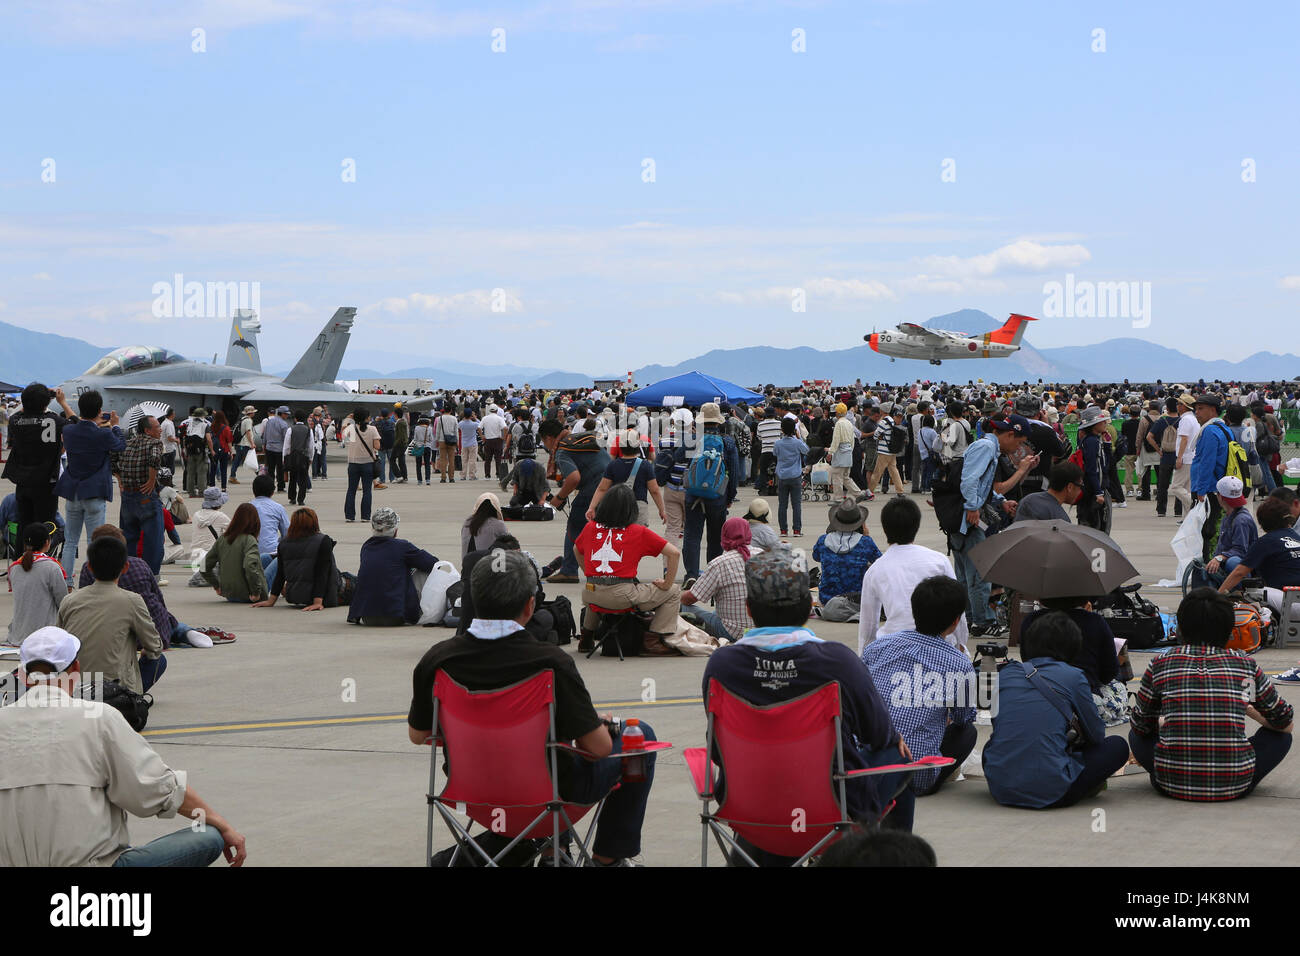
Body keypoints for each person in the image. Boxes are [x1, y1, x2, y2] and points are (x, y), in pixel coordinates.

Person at [408, 551, 658, 867]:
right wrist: (599, 724)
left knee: (551, 741)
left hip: (470, 791)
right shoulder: (550, 663)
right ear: (529, 606)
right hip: (544, 797)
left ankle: (553, 851)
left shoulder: (437, 660)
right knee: (638, 737)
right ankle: (607, 859)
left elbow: (419, 734)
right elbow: (598, 748)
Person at [702, 549, 916, 864]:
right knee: (895, 753)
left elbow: (718, 752)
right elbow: (878, 734)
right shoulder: (837, 661)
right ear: (808, 607)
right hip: (829, 810)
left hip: (748, 807)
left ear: (749, 609)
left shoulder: (722, 666)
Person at [0, 627, 246, 867]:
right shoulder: (99, 718)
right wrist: (220, 823)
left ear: (22, 675)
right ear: (76, 669)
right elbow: (158, 789)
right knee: (208, 837)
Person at [1130, 588, 1293, 800]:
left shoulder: (1161, 663)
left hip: (1170, 782)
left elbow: (1140, 725)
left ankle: (1172, 771)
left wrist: (1166, 721)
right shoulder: (1245, 665)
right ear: (1228, 631)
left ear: (1179, 628)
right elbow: (1284, 721)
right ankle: (1235, 773)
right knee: (1281, 738)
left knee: (1135, 734)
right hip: (1235, 784)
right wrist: (1248, 708)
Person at [982, 612, 1131, 809]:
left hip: (1000, 788)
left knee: (991, 746)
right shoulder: (1074, 676)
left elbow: (1000, 727)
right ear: (1073, 649)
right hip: (1053, 791)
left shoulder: (1007, 673)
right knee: (1118, 746)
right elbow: (1096, 735)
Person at [862, 575, 977, 797]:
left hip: (866, 765)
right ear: (955, 622)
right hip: (917, 777)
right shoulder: (960, 664)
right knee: (967, 733)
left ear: (914, 611)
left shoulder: (878, 647)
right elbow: (963, 718)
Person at [574, 484, 681, 656]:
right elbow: (674, 553)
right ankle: (652, 640)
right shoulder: (638, 531)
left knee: (597, 592)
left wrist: (590, 572)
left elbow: (576, 550)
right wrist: (667, 584)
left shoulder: (590, 527)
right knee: (674, 591)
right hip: (621, 596)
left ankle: (586, 638)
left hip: (590, 593)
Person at [949, 414, 1028, 637]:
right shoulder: (985, 446)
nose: (1017, 448)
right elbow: (970, 479)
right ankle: (983, 620)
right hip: (969, 519)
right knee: (979, 573)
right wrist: (973, 507)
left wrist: (1000, 502)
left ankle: (970, 618)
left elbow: (982, 485)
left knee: (965, 574)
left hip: (963, 518)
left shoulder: (989, 448)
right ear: (1010, 434)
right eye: (1018, 442)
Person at [858, 496, 968, 654]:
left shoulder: (875, 570)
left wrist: (865, 659)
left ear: (884, 528)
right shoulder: (938, 560)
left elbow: (868, 627)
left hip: (893, 647)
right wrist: (961, 647)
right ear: (916, 525)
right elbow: (957, 609)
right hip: (939, 645)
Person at [58, 535, 164, 694]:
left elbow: (58, 643)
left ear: (90, 568)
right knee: (159, 659)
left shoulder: (69, 600)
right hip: (113, 689)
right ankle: (132, 697)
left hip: (75, 685)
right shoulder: (132, 601)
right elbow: (154, 646)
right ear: (125, 567)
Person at [55, 389, 125, 578]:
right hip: (94, 492)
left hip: (73, 492)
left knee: (70, 542)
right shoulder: (103, 434)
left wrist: (63, 403)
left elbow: (77, 423)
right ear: (100, 411)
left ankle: (67, 580)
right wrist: (115, 426)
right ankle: (89, 581)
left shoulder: (68, 431)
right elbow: (120, 445)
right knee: (94, 543)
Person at [541, 417, 611, 584]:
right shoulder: (579, 440)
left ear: (549, 438)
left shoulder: (563, 450)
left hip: (594, 488)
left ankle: (569, 570)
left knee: (575, 526)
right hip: (611, 484)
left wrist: (560, 497)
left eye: (544, 441)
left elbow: (573, 478)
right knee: (605, 530)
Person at [682, 403, 741, 586]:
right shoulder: (727, 441)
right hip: (717, 495)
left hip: (692, 495)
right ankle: (712, 576)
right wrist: (730, 496)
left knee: (692, 535)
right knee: (715, 537)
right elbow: (733, 472)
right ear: (718, 421)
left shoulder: (692, 438)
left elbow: (680, 461)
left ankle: (691, 574)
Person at [347, 507, 436, 626]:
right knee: (421, 571)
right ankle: (424, 611)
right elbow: (433, 564)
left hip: (367, 616)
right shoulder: (402, 546)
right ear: (395, 530)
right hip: (394, 616)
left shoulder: (366, 547)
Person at [2, 382, 71, 532]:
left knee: (24, 525)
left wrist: (36, 397)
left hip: (23, 482)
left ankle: (22, 555)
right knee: (45, 526)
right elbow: (77, 425)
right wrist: (62, 402)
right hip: (46, 483)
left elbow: (23, 411)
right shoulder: (54, 421)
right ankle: (41, 555)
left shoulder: (15, 421)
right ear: (46, 403)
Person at [1217, 496, 1300, 614]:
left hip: (1291, 602)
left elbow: (1239, 572)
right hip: (1294, 597)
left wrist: (1217, 597)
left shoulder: (1266, 541)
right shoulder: (1297, 537)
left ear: (1262, 523)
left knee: (1251, 592)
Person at [681, 516, 752, 641]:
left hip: (732, 632)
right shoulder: (764, 555)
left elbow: (690, 598)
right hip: (761, 630)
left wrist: (673, 597)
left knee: (680, 606)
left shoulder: (720, 563)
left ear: (724, 535)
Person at [254, 508, 339, 611]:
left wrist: (271, 601)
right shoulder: (323, 540)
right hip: (324, 596)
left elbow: (280, 574)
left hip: (294, 596)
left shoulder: (283, 543)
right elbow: (322, 573)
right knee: (353, 583)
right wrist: (317, 602)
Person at [114, 414, 166, 576]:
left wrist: (120, 479)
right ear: (148, 430)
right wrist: (151, 480)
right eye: (157, 426)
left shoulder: (127, 443)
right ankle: (151, 575)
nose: (160, 429)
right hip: (146, 495)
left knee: (129, 537)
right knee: (154, 539)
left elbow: (112, 457)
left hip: (128, 496)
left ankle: (129, 572)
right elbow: (155, 459)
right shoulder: (155, 443)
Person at [587, 430, 666, 529]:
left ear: (620, 446)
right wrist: (661, 510)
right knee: (637, 538)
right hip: (638, 507)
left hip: (617, 507)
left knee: (619, 537)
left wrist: (592, 507)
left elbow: (602, 488)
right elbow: (654, 491)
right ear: (637, 446)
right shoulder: (645, 465)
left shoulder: (613, 465)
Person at [812, 499, 882, 607]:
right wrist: (867, 535)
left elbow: (816, 556)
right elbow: (880, 562)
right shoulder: (865, 542)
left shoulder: (823, 540)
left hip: (827, 600)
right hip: (856, 600)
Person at [7, 523, 67, 646]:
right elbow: (63, 603)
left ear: (24, 544)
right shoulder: (52, 567)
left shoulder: (14, 568)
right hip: (45, 638)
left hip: (17, 636)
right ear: (47, 543)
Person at [1189, 394, 1232, 562]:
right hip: (1219, 486)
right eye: (1195, 409)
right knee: (1214, 526)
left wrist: (1201, 490)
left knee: (1207, 530)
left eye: (1201, 409)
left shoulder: (1209, 431)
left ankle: (1208, 564)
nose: (1196, 413)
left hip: (1209, 488)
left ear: (1213, 410)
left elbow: (1207, 462)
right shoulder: (1224, 428)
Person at [202, 503, 269, 605]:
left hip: (230, 594)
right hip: (249, 595)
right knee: (276, 561)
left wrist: (216, 585)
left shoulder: (223, 539)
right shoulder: (249, 539)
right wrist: (256, 593)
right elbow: (249, 565)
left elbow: (204, 566)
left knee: (266, 558)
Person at [1199, 476, 1258, 587]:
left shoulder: (1241, 520)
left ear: (1221, 497)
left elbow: (1241, 550)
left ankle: (1240, 591)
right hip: (1231, 562)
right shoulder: (1230, 516)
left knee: (1233, 562)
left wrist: (1219, 558)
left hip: (1242, 568)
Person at [1074, 405, 1113, 531]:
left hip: (1092, 489)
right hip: (1093, 491)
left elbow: (1104, 465)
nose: (1104, 423)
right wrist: (1098, 492)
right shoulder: (1092, 442)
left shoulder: (1092, 440)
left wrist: (1107, 445)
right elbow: (1093, 469)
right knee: (1098, 527)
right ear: (1093, 425)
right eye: (1101, 421)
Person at [250, 473, 290, 586]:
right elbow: (287, 534)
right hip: (271, 552)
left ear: (254, 491)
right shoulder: (278, 508)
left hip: (250, 554)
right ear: (273, 491)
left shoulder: (247, 507)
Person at [344, 408, 383, 521]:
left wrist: (348, 418)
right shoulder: (372, 429)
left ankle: (349, 516)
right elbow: (377, 446)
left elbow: (343, 434)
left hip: (353, 463)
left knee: (351, 490)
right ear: (366, 418)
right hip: (367, 463)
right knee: (367, 491)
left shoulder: (351, 428)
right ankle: (365, 516)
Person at [773, 417, 809, 536]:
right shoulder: (797, 442)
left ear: (782, 429)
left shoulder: (778, 443)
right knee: (796, 504)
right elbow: (806, 451)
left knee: (782, 504)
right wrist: (799, 437)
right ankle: (797, 530)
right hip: (795, 475)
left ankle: (783, 530)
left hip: (782, 476)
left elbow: (775, 454)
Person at [1013, 461, 1083, 523]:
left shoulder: (1027, 500)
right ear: (1070, 487)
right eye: (1080, 486)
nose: (1080, 491)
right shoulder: (1061, 520)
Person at [1170, 392, 1200, 519]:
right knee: (1187, 489)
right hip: (1192, 457)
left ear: (1184, 406)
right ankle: (1188, 518)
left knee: (1176, 487)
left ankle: (1194, 506)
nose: (1177, 406)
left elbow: (1184, 440)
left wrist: (1179, 457)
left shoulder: (1185, 420)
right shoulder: (1193, 419)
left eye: (1179, 404)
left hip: (1186, 457)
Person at [827, 403, 860, 500]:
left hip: (840, 452)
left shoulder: (839, 423)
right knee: (846, 477)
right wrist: (850, 450)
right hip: (848, 451)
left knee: (837, 476)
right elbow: (853, 440)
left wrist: (830, 452)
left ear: (837, 413)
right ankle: (858, 493)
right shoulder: (849, 423)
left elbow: (836, 440)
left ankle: (838, 498)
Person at [462, 492, 509, 559]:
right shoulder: (498, 524)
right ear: (496, 508)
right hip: (486, 566)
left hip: (467, 566)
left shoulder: (467, 521)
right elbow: (509, 543)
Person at [190, 485, 231, 557]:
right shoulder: (220, 516)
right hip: (211, 556)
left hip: (195, 556)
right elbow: (235, 530)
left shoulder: (196, 515)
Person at [285, 408, 314, 506]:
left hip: (293, 456)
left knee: (292, 478)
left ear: (295, 419)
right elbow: (311, 446)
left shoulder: (290, 429)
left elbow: (287, 446)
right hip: (304, 456)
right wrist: (311, 458)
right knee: (303, 478)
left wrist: (284, 457)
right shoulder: (309, 430)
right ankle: (301, 499)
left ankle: (292, 498)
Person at [181, 406, 211, 499]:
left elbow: (184, 438)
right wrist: (212, 450)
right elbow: (209, 439)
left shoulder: (188, 424)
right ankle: (202, 492)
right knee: (202, 472)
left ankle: (191, 492)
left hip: (190, 451)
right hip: (201, 451)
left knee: (190, 472)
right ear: (202, 415)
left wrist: (185, 450)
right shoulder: (205, 424)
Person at [262, 406, 290, 492]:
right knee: (280, 469)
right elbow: (286, 438)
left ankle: (270, 487)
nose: (287, 416)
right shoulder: (284, 424)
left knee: (270, 469)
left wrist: (264, 444)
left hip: (269, 448)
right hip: (279, 449)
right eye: (286, 414)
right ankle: (280, 487)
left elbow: (265, 434)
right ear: (282, 414)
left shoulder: (269, 421)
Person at [206, 410, 233, 491]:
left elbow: (209, 438)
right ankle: (223, 487)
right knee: (223, 469)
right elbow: (229, 441)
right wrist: (231, 452)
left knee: (213, 469)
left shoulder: (211, 427)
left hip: (213, 449)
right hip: (224, 450)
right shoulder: (226, 428)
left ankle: (212, 486)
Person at [230, 405, 256, 484]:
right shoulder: (248, 420)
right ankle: (261, 475)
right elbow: (248, 432)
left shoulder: (242, 419)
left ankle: (232, 476)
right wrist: (252, 443)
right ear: (251, 413)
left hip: (239, 444)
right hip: (244, 444)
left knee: (237, 461)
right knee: (252, 460)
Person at [434, 403, 459, 482]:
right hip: (451, 441)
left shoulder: (440, 418)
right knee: (451, 460)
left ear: (444, 410)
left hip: (442, 440)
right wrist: (457, 441)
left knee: (443, 459)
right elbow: (456, 431)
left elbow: (438, 430)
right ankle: (451, 478)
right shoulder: (454, 418)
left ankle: (443, 477)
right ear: (451, 410)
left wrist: (437, 440)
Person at [457, 408, 481, 480]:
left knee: (464, 460)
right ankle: (472, 475)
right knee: (472, 460)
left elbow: (458, 428)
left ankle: (463, 475)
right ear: (471, 415)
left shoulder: (461, 423)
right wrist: (475, 417)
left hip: (464, 444)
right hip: (473, 443)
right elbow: (480, 424)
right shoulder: (474, 424)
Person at [411, 415, 435, 485]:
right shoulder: (430, 428)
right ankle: (427, 480)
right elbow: (431, 439)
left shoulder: (417, 428)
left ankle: (419, 480)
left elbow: (415, 439)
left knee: (418, 464)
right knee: (427, 464)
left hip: (418, 447)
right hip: (427, 447)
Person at [390, 404, 410, 483]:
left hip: (399, 444)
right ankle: (404, 477)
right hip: (402, 444)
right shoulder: (402, 422)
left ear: (395, 414)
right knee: (401, 461)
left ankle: (399, 476)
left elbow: (401, 435)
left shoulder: (400, 423)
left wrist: (395, 444)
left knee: (392, 460)